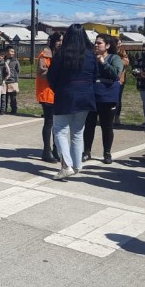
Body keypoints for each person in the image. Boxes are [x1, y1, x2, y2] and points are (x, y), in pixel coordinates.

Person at [46, 23, 97, 179]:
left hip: (65, 95)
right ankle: (77, 165)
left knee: (60, 130)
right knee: (77, 132)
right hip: (86, 96)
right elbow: (95, 76)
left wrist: (58, 89)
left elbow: (51, 76)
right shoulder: (90, 54)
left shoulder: (61, 54)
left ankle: (66, 165)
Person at [83, 34, 124, 164]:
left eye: (99, 43)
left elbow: (115, 73)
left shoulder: (115, 58)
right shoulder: (90, 58)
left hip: (108, 98)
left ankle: (107, 153)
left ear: (107, 46)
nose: (96, 45)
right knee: (89, 125)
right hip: (92, 96)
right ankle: (87, 151)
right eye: (95, 43)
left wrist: (103, 63)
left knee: (107, 126)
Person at [37, 33, 62, 163]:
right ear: (52, 41)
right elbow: (41, 73)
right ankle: (46, 151)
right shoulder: (45, 55)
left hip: (57, 92)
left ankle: (56, 149)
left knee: (57, 123)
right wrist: (56, 70)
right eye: (58, 40)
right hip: (46, 92)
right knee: (49, 122)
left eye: (61, 40)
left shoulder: (59, 54)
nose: (60, 43)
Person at [5, 46, 21, 115]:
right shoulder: (4, 60)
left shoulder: (15, 61)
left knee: (13, 97)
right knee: (4, 97)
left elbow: (18, 70)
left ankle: (14, 110)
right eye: (11, 51)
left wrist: (15, 77)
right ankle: (3, 109)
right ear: (7, 52)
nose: (12, 53)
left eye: (13, 52)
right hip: (5, 81)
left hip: (13, 81)